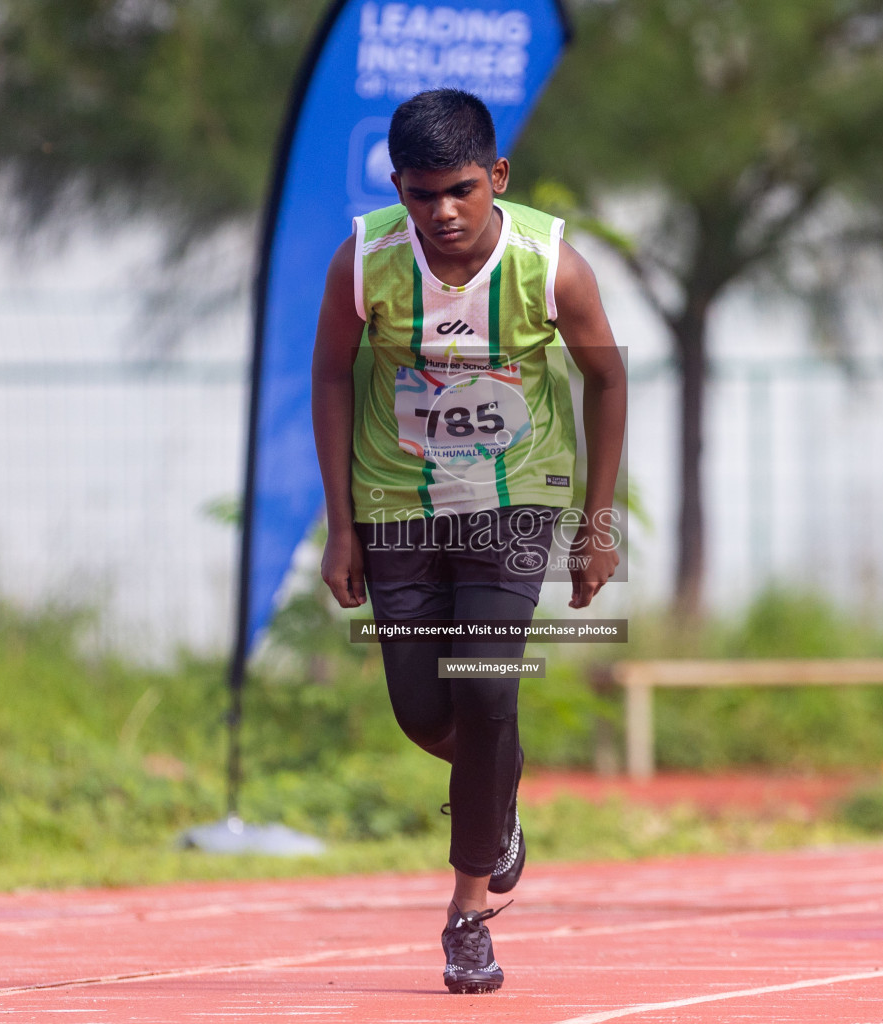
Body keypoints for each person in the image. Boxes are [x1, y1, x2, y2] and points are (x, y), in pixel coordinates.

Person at [310, 88, 626, 994]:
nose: (440, 213)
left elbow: (607, 383)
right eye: (419, 194)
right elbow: (331, 377)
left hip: (513, 498)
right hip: (396, 502)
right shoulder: (365, 262)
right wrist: (342, 527)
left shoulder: (550, 266)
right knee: (427, 714)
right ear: (397, 190)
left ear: (496, 177)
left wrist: (595, 526)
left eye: (458, 190)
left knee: (486, 687)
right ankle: (500, 789)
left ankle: (468, 913)